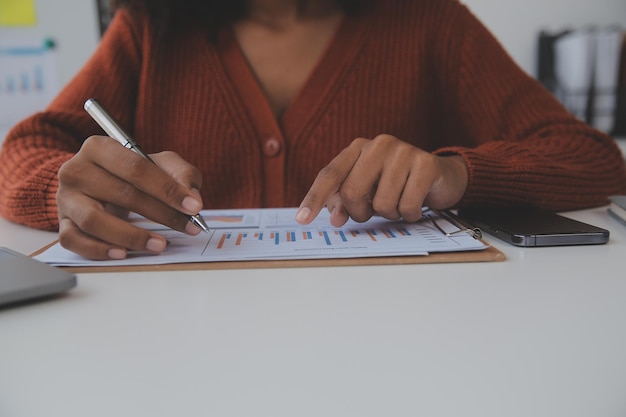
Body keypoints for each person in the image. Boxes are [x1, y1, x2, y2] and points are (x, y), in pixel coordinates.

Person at [1, 0, 625, 260]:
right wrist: (64, 186)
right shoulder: (150, 28)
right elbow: (25, 147)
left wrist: (454, 173)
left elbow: (593, 157)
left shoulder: (430, 21)